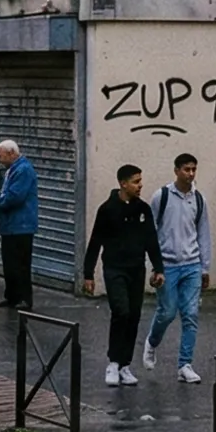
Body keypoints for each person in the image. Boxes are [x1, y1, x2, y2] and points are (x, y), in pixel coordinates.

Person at [81, 164, 161, 385]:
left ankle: (125, 364)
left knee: (134, 315)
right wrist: (88, 273)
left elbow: (151, 240)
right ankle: (113, 363)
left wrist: (158, 268)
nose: (140, 185)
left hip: (136, 268)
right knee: (121, 311)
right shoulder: (107, 210)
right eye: (135, 182)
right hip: (114, 268)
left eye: (140, 181)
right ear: (123, 183)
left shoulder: (143, 209)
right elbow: (95, 241)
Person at [144, 153, 213, 383]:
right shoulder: (161, 196)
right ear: (176, 170)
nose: (191, 174)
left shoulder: (198, 199)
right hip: (168, 264)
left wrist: (205, 267)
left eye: (194, 169)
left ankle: (185, 364)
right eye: (186, 169)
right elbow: (151, 232)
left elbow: (203, 233)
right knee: (167, 311)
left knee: (191, 314)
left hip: (191, 264)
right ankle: (152, 342)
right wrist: (155, 266)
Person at [0, 139, 38, 309]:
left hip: (21, 225)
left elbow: (15, 197)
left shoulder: (23, 170)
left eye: (0, 156)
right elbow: (8, 193)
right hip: (11, 225)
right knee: (9, 263)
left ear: (11, 154)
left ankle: (24, 298)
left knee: (21, 263)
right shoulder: (12, 169)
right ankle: (12, 296)